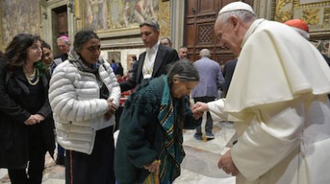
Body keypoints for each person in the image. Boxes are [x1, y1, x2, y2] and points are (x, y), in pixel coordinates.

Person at [192, 2, 330, 184]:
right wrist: (209, 106)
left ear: (234, 23)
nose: (221, 43)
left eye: (220, 35)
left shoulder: (262, 38)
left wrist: (237, 157)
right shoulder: (275, 32)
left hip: (293, 160)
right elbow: (256, 102)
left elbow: (282, 123)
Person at [49, 29, 121, 184]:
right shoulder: (64, 70)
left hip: (105, 134)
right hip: (80, 140)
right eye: (91, 48)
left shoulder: (103, 66)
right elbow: (65, 108)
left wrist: (113, 103)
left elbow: (115, 87)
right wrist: (104, 106)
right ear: (78, 49)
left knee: (106, 178)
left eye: (98, 47)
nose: (96, 52)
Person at [115, 60, 202, 184]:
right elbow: (130, 131)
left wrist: (194, 117)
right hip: (142, 164)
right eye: (188, 88)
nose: (189, 93)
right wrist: (146, 158)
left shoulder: (178, 95)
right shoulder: (149, 94)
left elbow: (182, 119)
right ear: (176, 79)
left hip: (161, 159)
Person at [0, 34, 55, 184]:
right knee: (16, 168)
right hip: (15, 127)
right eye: (34, 47)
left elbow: (51, 95)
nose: (40, 50)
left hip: (39, 126)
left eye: (40, 47)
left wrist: (42, 114)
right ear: (22, 49)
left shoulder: (43, 69)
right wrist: (24, 116)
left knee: (37, 166)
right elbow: (2, 96)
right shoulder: (6, 68)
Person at [119, 21, 179, 92]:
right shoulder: (142, 56)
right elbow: (134, 81)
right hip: (143, 99)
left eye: (147, 34)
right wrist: (114, 88)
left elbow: (174, 81)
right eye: (141, 34)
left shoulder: (169, 53)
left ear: (157, 33)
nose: (143, 38)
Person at [191, 49, 224, 140]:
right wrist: (216, 87)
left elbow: (191, 77)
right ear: (209, 55)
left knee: (197, 111)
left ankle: (198, 133)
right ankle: (209, 132)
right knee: (210, 111)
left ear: (200, 54)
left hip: (197, 90)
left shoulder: (194, 64)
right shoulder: (215, 64)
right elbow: (221, 80)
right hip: (211, 91)